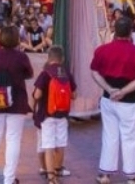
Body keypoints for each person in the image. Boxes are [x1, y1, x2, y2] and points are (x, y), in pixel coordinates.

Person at [90, 17, 135, 184]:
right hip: (129, 100)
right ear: (130, 31)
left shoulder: (102, 50)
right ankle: (132, 176)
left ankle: (104, 174)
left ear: (114, 30)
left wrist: (110, 90)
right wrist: (123, 91)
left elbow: (94, 72)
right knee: (130, 137)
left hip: (108, 97)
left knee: (110, 135)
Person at [0, 26, 34, 184]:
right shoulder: (21, 57)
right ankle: (9, 179)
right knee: (13, 139)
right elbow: (29, 73)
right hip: (16, 100)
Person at [32, 45, 77, 183]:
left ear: (49, 58)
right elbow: (74, 95)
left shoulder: (45, 73)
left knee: (48, 146)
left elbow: (37, 94)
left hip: (47, 116)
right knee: (61, 144)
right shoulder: (66, 73)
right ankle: (58, 171)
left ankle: (51, 177)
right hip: (62, 116)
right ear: (61, 58)